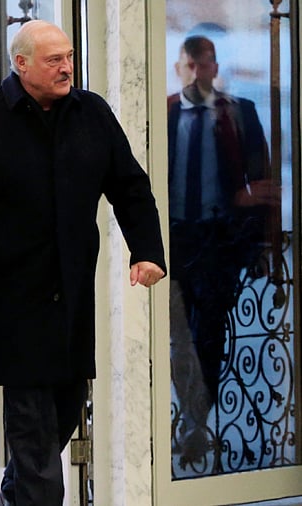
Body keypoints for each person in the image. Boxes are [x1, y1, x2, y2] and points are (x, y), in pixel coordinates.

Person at [0, 20, 166, 506]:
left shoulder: (91, 112)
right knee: (36, 438)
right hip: (10, 304)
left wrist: (147, 251)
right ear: (21, 64)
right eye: (53, 60)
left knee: (60, 416)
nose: (66, 68)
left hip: (72, 300)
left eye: (69, 57)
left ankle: (15, 494)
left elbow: (130, 187)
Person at [166, 35, 278, 464]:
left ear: (214, 68)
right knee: (177, 338)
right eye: (190, 66)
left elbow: (262, 178)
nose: (198, 73)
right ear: (180, 69)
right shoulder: (164, 113)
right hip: (175, 238)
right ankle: (192, 419)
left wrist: (259, 241)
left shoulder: (239, 113)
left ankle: (196, 421)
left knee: (210, 335)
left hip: (217, 240)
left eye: (205, 64)